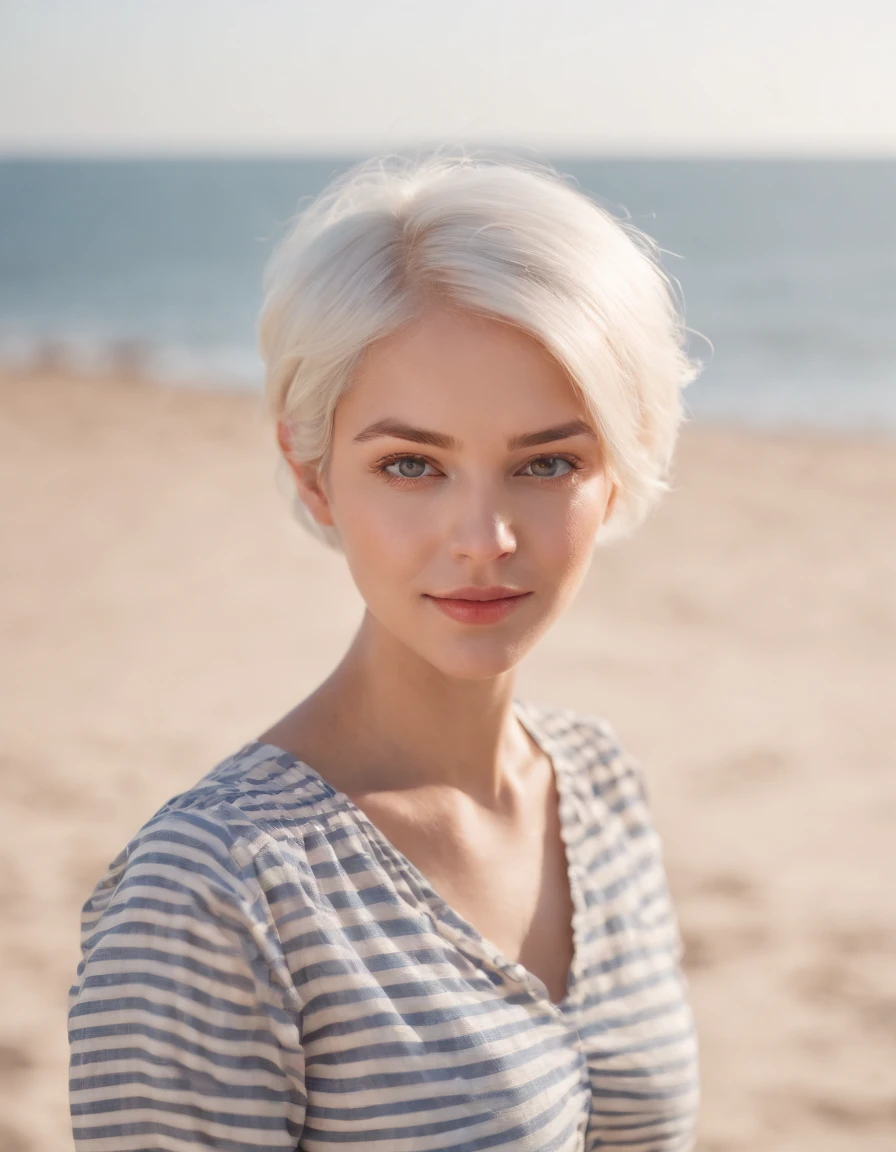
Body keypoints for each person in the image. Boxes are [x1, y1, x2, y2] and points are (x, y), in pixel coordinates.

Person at [68, 150, 703, 1151]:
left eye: (547, 462)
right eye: (411, 465)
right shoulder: (213, 894)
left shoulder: (600, 788)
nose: (483, 537)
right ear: (313, 474)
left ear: (614, 475)